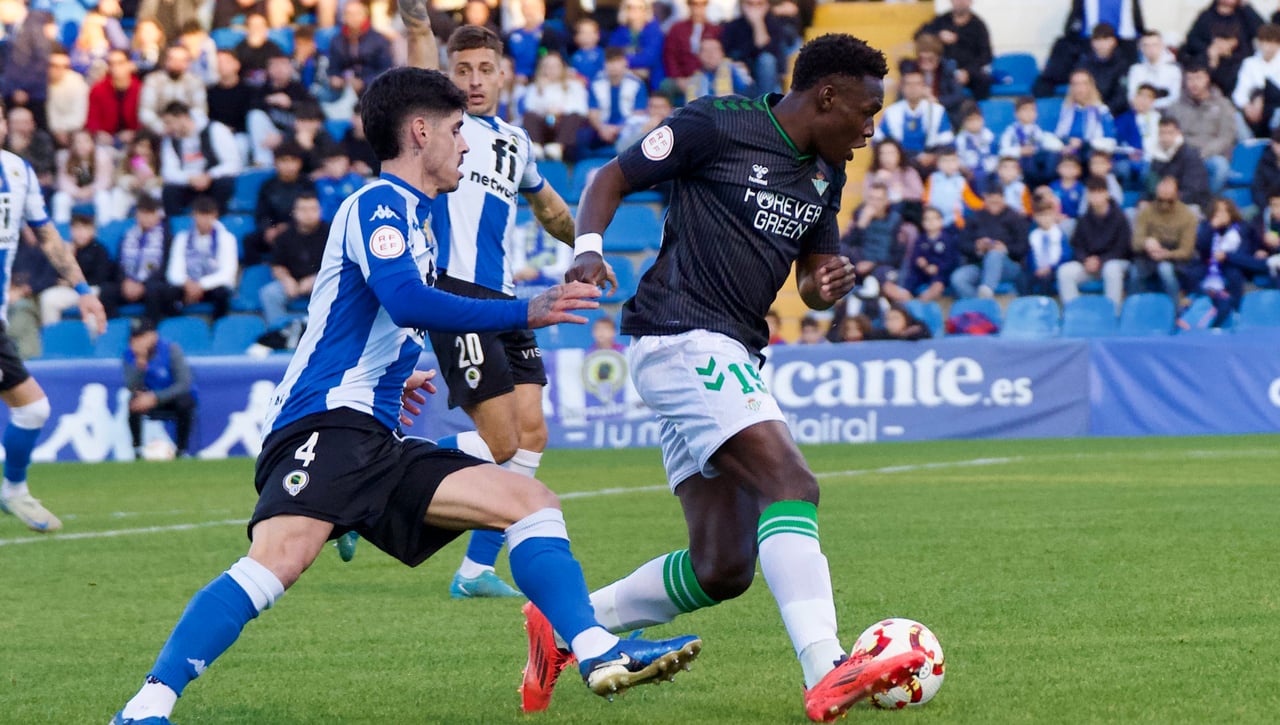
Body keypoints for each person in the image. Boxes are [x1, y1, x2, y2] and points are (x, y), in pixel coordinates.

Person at [108, 66, 702, 725]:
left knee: (530, 501)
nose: (467, 146)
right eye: (456, 131)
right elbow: (406, 298)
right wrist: (522, 310)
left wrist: (399, 371)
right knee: (275, 563)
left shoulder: (415, 218)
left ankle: (594, 649)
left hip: (371, 433)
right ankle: (145, 706)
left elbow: (381, 315)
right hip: (324, 423)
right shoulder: (378, 206)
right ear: (420, 132)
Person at [532, 34, 926, 723]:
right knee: (792, 484)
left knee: (722, 566)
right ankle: (827, 667)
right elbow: (610, 178)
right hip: (682, 334)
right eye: (865, 113)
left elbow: (813, 279)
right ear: (826, 95)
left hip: (729, 351)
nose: (870, 131)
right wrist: (588, 252)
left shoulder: (825, 175)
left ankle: (570, 622)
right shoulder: (720, 123)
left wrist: (824, 285)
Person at [417, 26, 588, 599]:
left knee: (532, 431)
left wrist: (586, 248)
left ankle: (474, 570)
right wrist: (417, 26)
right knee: (500, 443)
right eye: (461, 70)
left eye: (483, 70)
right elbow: (415, 59)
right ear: (448, 74)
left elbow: (549, 207)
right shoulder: (434, 127)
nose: (473, 81)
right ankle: (367, 476)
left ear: (503, 74)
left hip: (508, 300)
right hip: (455, 294)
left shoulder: (516, 141)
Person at [0, 100, 108, 533]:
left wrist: (83, 291)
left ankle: (14, 491)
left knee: (34, 411)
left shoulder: (18, 172)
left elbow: (47, 235)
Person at [124, 318, 198, 460]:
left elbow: (184, 383)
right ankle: (137, 449)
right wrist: (141, 361)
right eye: (135, 337)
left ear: (153, 335)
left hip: (171, 396)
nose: (139, 341)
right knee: (133, 402)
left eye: (142, 336)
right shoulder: (129, 354)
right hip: (147, 398)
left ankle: (181, 450)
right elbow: (131, 385)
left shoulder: (171, 349)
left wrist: (156, 397)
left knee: (186, 401)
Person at [157, 195, 239, 319]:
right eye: (201, 215)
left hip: (212, 286)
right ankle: (177, 326)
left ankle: (217, 326)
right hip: (187, 285)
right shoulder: (182, 238)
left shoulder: (227, 239)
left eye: (208, 215)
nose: (204, 220)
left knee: (222, 293)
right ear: (193, 215)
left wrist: (200, 285)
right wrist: (187, 283)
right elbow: (173, 272)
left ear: (215, 215)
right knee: (168, 292)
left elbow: (227, 273)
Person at [1058, 176, 1132, 312]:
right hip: (1089, 265)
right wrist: (1085, 260)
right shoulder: (1084, 219)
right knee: (1065, 272)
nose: (1096, 197)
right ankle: (1073, 312)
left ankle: (1112, 313)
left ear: (1107, 193)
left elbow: (1123, 249)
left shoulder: (1120, 218)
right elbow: (1077, 246)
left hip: (1115, 263)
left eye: (1099, 192)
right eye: (1092, 193)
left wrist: (1101, 260)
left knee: (1111, 269)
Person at [158, 101, 242, 216]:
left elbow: (233, 163)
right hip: (188, 183)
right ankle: (175, 228)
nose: (168, 128)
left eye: (169, 123)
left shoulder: (215, 130)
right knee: (169, 192)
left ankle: (217, 222)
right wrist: (189, 179)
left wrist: (209, 176)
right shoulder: (170, 141)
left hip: (212, 181)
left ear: (183, 117)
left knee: (224, 184)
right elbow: (168, 172)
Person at [260, 191, 329, 328]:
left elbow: (339, 266)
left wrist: (314, 280)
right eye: (303, 209)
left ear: (320, 211)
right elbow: (277, 266)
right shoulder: (285, 236)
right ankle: (280, 332)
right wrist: (287, 280)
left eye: (313, 209)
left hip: (322, 282)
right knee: (269, 293)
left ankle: (324, 331)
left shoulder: (331, 233)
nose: (308, 214)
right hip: (292, 282)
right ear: (295, 212)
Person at [951, 180, 1030, 298]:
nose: (994, 204)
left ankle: (986, 291)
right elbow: (962, 243)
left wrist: (1005, 248)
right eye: (991, 201)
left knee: (995, 253)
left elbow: (1023, 247)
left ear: (1003, 199)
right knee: (958, 278)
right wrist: (977, 247)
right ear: (985, 199)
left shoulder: (1014, 217)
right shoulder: (974, 217)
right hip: (980, 263)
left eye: (997, 201)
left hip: (1008, 265)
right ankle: (980, 307)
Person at [1129, 175, 1198, 299]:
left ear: (1177, 195)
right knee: (1135, 271)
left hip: (1175, 259)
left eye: (1169, 200)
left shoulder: (1188, 216)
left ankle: (1175, 308)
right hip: (1148, 256)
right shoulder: (1147, 211)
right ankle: (1135, 308)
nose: (1164, 204)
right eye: (1161, 200)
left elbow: (1186, 251)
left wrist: (1166, 254)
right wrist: (1146, 242)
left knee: (1165, 269)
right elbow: (1135, 242)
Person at [916, 0, 993, 101]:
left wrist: (968, 72)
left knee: (983, 81)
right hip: (943, 70)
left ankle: (976, 113)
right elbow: (918, 35)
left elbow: (986, 55)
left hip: (968, 71)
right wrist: (938, 34)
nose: (960, 2)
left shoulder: (978, 25)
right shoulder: (941, 21)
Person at [139, 44, 210, 136]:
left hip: (188, 131)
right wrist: (163, 128)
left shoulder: (196, 82)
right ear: (166, 61)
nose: (177, 63)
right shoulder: (153, 80)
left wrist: (185, 127)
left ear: (188, 63)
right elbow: (145, 112)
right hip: (158, 132)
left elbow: (200, 111)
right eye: (173, 59)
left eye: (182, 60)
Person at [1146, 117, 1211, 211]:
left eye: (1169, 133)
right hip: (1162, 204)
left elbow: (1193, 191)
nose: (1165, 137)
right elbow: (1150, 185)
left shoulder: (1190, 156)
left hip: (1190, 204)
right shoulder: (1157, 156)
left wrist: (1168, 200)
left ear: (1178, 133)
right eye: (1162, 133)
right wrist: (1143, 200)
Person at [85, 49, 143, 146]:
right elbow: (92, 119)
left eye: (120, 63)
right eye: (111, 64)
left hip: (134, 140)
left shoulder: (140, 89)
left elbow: (143, 119)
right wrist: (98, 133)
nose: (115, 67)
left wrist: (135, 133)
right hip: (106, 140)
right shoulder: (98, 89)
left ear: (130, 64)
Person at [1127, 30, 1181, 110]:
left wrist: (1148, 104)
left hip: (1166, 113)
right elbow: (1131, 96)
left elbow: (1174, 98)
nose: (1150, 49)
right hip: (1140, 113)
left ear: (1162, 46)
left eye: (1154, 45)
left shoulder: (1173, 71)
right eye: (1146, 45)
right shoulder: (1135, 70)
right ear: (1141, 48)